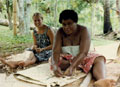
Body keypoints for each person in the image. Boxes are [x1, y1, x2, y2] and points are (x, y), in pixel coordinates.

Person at [50, 9, 115, 86]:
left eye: (69, 23)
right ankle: (86, 67)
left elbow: (83, 52)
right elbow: (56, 51)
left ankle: (102, 80)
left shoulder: (84, 30)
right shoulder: (59, 32)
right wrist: (55, 66)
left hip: (85, 56)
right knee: (54, 60)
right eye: (64, 24)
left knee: (99, 59)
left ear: (75, 22)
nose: (66, 27)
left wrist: (72, 67)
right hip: (68, 58)